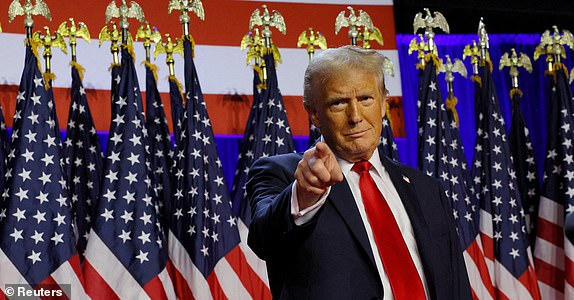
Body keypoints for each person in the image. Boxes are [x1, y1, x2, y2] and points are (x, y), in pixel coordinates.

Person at [246, 45, 471, 299]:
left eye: (365, 99)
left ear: (384, 102)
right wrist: (305, 195)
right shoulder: (284, 175)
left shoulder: (427, 189)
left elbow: (455, 283)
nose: (356, 116)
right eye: (339, 103)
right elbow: (263, 240)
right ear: (315, 114)